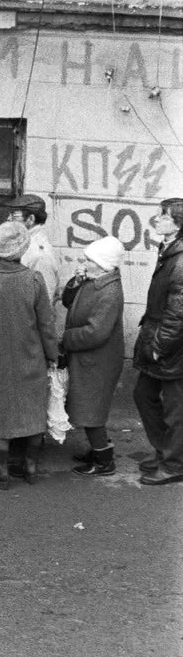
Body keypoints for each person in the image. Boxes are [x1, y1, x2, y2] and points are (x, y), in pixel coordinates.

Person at [0, 221, 58, 488]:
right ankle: (30, 466)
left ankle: (1, 471)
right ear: (22, 247)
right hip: (32, 355)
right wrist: (52, 354)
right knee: (33, 410)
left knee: (0, 411)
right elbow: (46, 324)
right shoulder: (34, 280)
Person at [61, 236, 126, 477]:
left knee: (91, 412)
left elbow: (96, 333)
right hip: (89, 360)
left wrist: (67, 338)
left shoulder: (109, 293)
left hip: (97, 362)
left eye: (88, 259)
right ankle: (99, 451)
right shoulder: (93, 281)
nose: (83, 261)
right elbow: (69, 302)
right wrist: (75, 281)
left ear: (101, 264)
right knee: (90, 409)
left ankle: (104, 462)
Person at [133, 198, 183, 486]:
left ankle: (174, 463)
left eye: (162, 216)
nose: (156, 219)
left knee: (176, 408)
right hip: (160, 341)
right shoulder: (170, 250)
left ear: (178, 224)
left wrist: (159, 346)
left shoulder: (180, 260)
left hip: (171, 348)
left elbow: (178, 315)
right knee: (143, 394)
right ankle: (166, 451)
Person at [6, 193, 61, 334]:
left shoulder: (39, 253)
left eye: (14, 216)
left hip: (28, 331)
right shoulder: (25, 244)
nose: (8, 219)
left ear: (30, 219)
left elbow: (45, 303)